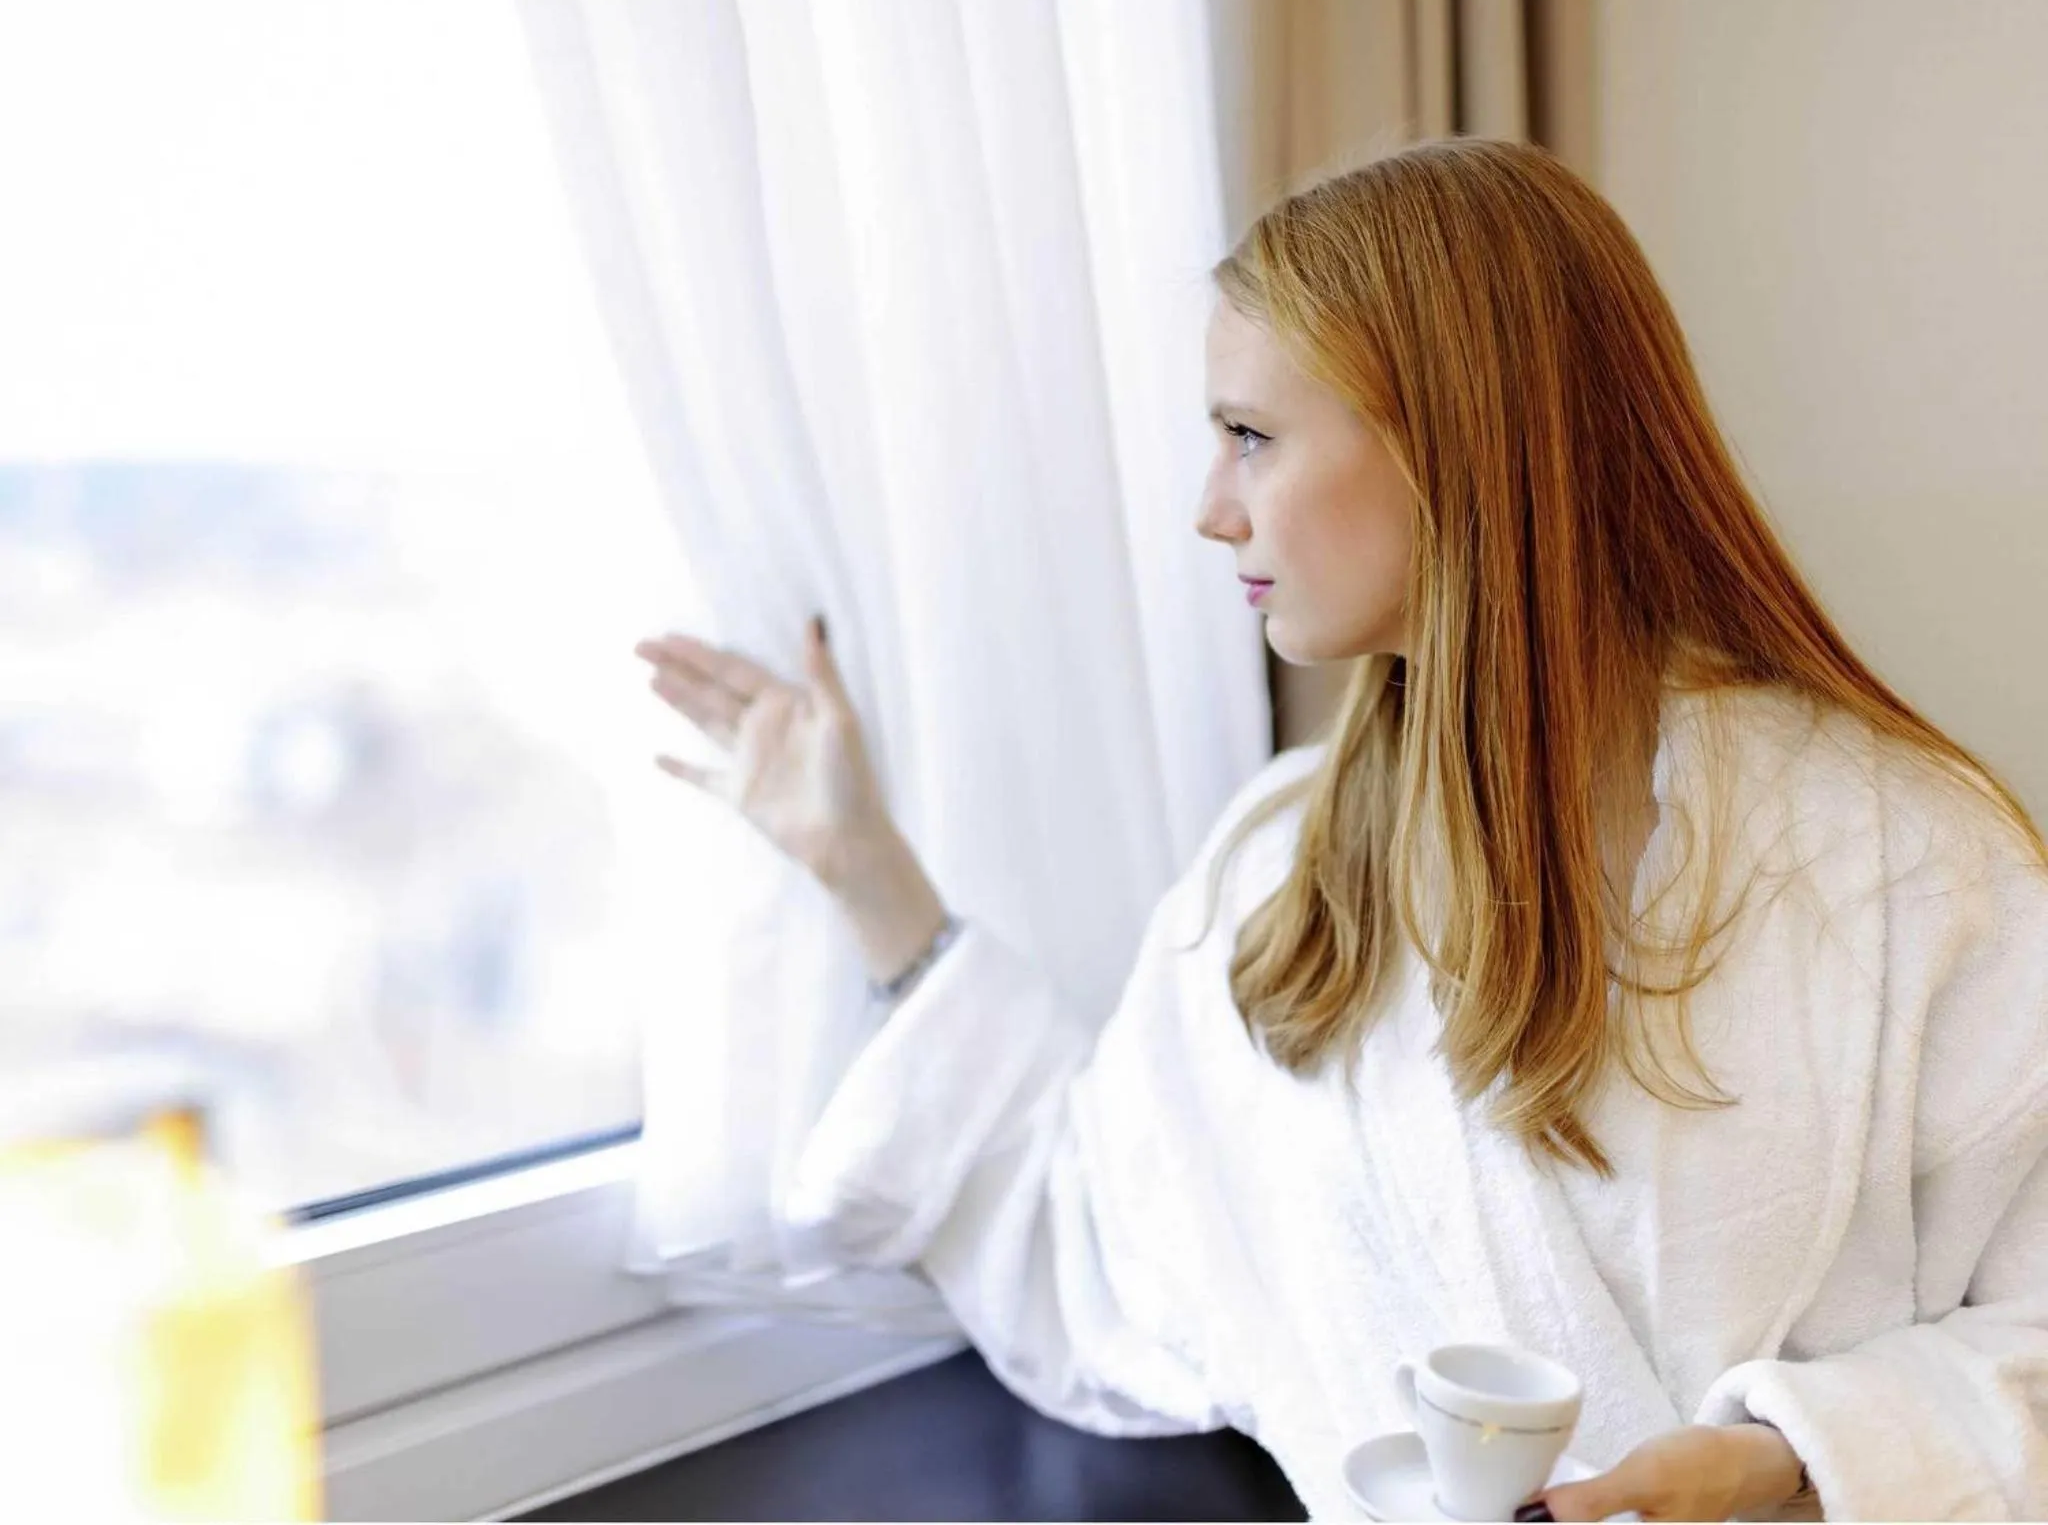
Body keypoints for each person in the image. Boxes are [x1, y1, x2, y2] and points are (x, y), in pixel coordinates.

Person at [632, 138, 2048, 1522]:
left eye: (1250, 437)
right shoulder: (1280, 873)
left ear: (1458, 443)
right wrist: (863, 872)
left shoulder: (1910, 862)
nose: (1209, 509)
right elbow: (1099, 1245)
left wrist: (1789, 1458)